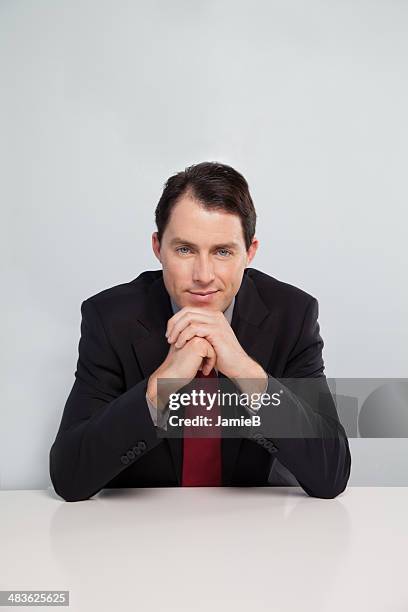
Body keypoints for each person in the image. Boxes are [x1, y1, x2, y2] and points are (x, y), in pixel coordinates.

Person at [49, 161, 351, 502]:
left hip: (254, 532)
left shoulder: (291, 316)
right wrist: (160, 387)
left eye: (222, 251)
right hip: (140, 532)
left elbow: (331, 476)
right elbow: (69, 477)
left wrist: (245, 370)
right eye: (184, 250)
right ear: (157, 248)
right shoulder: (110, 318)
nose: (203, 275)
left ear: (249, 252)